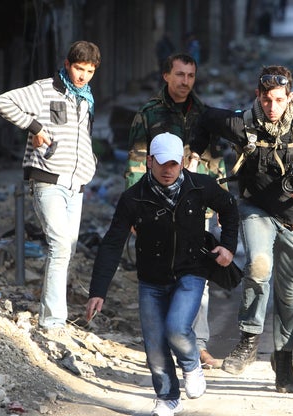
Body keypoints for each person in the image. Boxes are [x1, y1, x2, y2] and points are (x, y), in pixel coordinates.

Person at [188, 65, 293, 393]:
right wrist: (196, 160)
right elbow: (204, 118)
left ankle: (283, 357)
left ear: (291, 98)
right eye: (266, 99)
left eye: (279, 100)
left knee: (289, 293)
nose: (272, 107)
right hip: (255, 209)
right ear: (257, 95)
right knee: (259, 266)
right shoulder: (241, 122)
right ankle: (248, 340)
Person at [85, 132, 239, 416]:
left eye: (173, 164)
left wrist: (228, 246)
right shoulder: (134, 198)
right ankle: (168, 397)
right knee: (155, 343)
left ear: (182, 162)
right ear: (149, 162)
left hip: (190, 272)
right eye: (161, 164)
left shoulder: (199, 186)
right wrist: (98, 291)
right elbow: (112, 243)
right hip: (151, 280)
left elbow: (230, 208)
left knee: (177, 328)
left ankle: (191, 364)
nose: (168, 171)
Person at [0, 40, 101, 333]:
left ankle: (53, 314)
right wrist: (36, 128)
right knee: (60, 245)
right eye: (79, 69)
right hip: (46, 179)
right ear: (67, 64)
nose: (83, 76)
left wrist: (91, 162)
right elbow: (2, 102)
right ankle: (53, 322)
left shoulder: (86, 97)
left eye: (90, 71)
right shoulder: (44, 89)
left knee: (68, 248)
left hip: (76, 185)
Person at [126, 53, 227, 369]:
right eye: (180, 74)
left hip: (197, 206)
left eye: (191, 76)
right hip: (157, 207)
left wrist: (221, 201)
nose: (185, 81)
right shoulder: (148, 114)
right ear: (166, 76)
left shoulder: (206, 115)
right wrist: (135, 212)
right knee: (160, 274)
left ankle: (197, 345)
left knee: (199, 276)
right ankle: (162, 345)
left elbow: (216, 161)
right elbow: (135, 163)